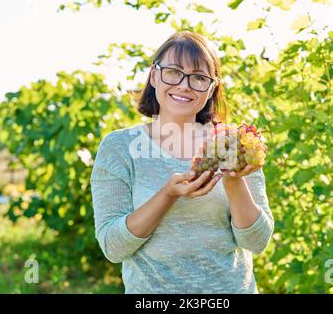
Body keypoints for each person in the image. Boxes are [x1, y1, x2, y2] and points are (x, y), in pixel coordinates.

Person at [90, 31, 274, 294]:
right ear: (154, 76)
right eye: (174, 72)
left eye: (199, 77)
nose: (184, 85)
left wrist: (234, 179)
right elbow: (113, 247)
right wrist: (168, 195)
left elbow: (257, 242)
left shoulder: (233, 144)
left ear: (212, 87)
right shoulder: (120, 148)